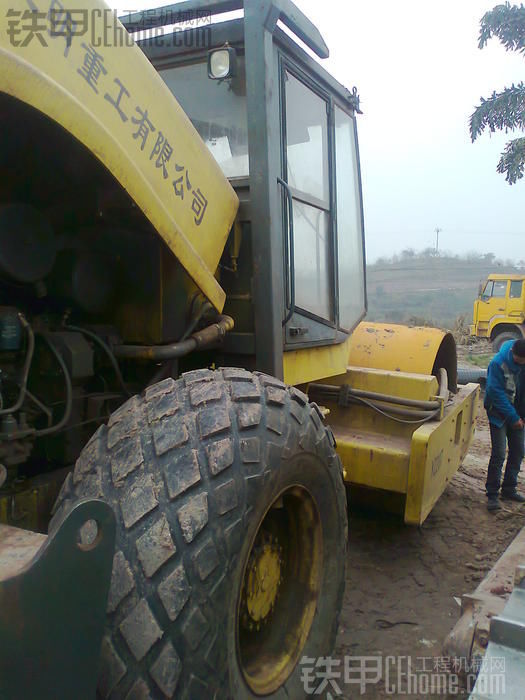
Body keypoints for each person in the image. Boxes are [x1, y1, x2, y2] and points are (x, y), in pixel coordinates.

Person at [484, 338, 525, 511]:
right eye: (520, 361)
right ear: (514, 355)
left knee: (518, 451)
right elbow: (495, 393)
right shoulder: (498, 364)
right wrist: (513, 417)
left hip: (518, 413)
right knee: (499, 453)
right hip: (498, 414)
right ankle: (492, 494)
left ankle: (509, 489)